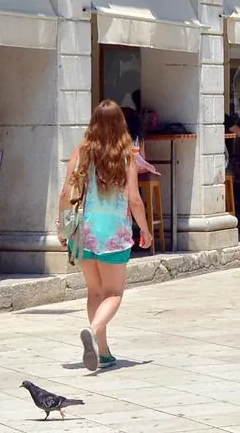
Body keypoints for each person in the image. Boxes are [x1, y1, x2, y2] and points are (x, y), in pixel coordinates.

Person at [57, 101, 151, 371]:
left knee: (95, 291)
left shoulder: (81, 152)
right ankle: (93, 330)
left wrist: (62, 228)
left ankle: (104, 352)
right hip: (114, 234)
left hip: (84, 232)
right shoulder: (126, 156)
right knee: (114, 293)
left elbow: (66, 193)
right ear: (120, 123)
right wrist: (144, 229)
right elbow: (134, 199)